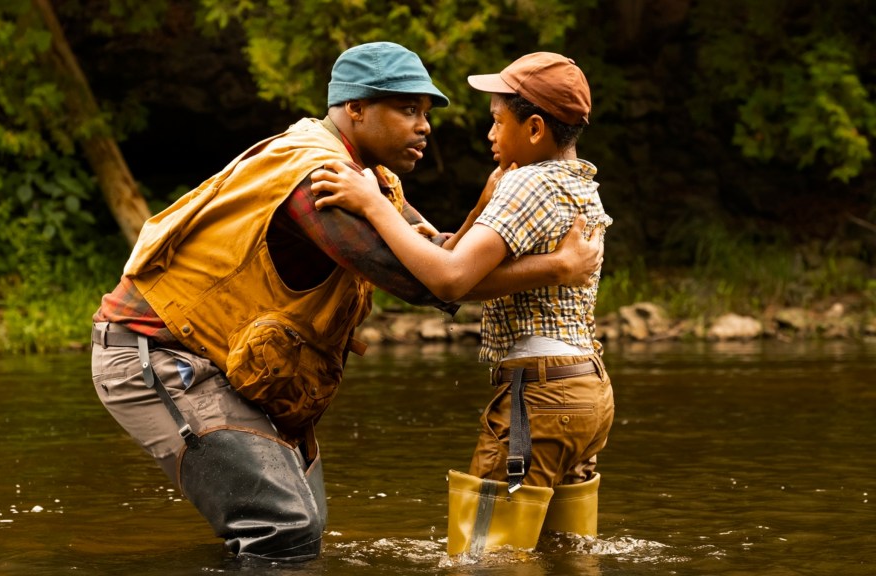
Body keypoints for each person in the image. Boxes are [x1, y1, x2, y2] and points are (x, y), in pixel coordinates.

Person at [91, 43, 603, 563]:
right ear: (354, 109)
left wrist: (477, 210)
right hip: (157, 354)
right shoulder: (320, 178)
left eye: (426, 113)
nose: (425, 126)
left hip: (223, 363)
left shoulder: (369, 181)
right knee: (284, 527)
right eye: (408, 110)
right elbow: (430, 283)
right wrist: (555, 267)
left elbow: (438, 254)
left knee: (298, 527)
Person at [312, 52, 614, 555]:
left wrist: (370, 203)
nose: (490, 136)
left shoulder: (527, 182)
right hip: (587, 395)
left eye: (497, 122)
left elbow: (450, 280)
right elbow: (464, 262)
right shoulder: (582, 183)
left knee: (484, 556)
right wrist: (479, 208)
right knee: (564, 555)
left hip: (538, 397)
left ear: (535, 128)